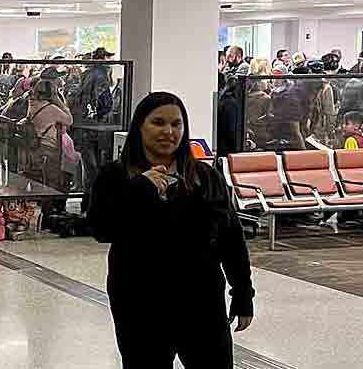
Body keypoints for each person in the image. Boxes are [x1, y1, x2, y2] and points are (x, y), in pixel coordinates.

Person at [88, 91, 254, 368]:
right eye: (158, 123)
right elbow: (101, 228)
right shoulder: (115, 176)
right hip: (140, 302)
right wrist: (138, 190)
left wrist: (242, 293)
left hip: (201, 301)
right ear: (140, 126)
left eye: (176, 124)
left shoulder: (204, 177)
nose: (168, 131)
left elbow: (231, 239)